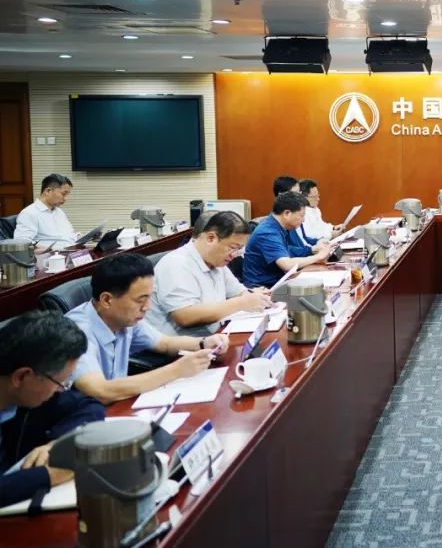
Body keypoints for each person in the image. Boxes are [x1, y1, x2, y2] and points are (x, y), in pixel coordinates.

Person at [67, 254, 229, 404]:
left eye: (149, 297)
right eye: (140, 300)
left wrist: (204, 343)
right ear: (107, 300)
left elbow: (165, 343)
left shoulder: (123, 318)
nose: (147, 307)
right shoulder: (76, 331)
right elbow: (99, 391)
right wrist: (176, 371)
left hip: (119, 404)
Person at [0, 311, 105, 508]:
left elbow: (89, 405)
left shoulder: (25, 394)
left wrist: (57, 445)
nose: (61, 389)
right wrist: (50, 474)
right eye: (60, 382)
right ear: (21, 376)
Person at [143, 211, 271, 338]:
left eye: (239, 249)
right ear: (211, 238)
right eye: (233, 247)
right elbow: (185, 316)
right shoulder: (176, 264)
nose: (234, 255)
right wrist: (241, 303)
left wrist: (256, 297)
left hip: (213, 337)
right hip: (179, 346)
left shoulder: (216, 261)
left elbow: (238, 292)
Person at [243, 191, 332, 288]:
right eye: (302, 215)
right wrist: (318, 257)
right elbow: (287, 265)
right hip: (263, 288)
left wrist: (312, 250)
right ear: (287, 213)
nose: (303, 220)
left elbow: (288, 250)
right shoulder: (268, 232)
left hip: (278, 281)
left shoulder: (279, 226)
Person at [13, 174, 77, 250]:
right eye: (63, 194)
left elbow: (67, 235)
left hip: (71, 251)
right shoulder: (29, 213)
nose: (66, 198)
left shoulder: (59, 212)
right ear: (48, 191)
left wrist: (80, 237)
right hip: (52, 255)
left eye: (67, 195)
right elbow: (22, 242)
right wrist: (49, 250)